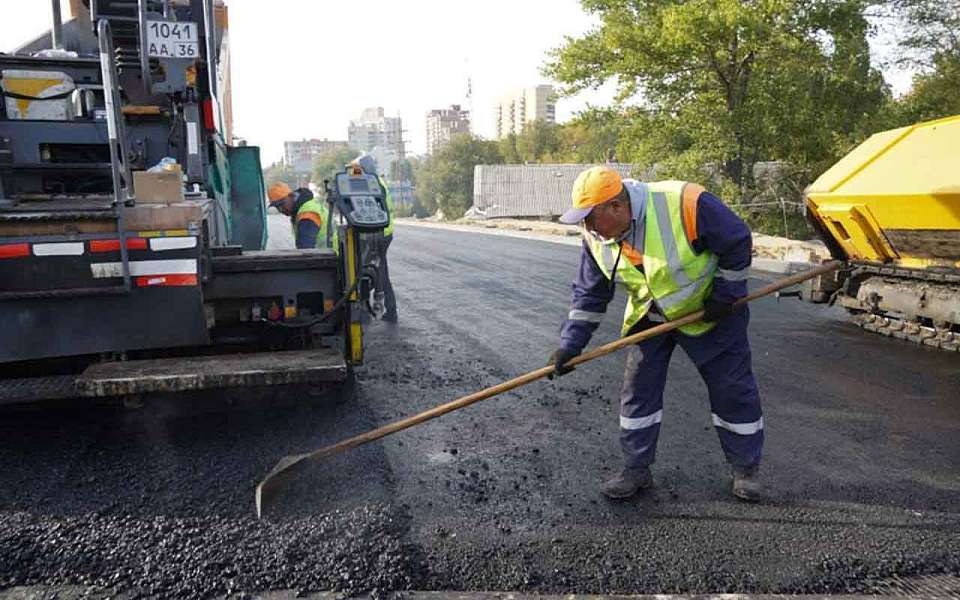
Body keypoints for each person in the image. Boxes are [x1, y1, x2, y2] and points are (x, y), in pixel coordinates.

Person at [548, 166, 763, 502]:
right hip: (652, 314)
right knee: (638, 391)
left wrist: (725, 295)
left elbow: (736, 240)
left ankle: (745, 469)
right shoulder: (595, 237)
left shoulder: (685, 202)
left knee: (732, 389)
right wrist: (570, 345)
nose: (587, 227)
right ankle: (636, 468)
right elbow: (590, 293)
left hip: (710, 311)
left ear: (617, 207)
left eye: (590, 218)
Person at [351, 153, 397, 323]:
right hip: (383, 233)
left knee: (365, 271)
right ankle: (389, 311)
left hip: (374, 234)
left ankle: (365, 311)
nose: (354, 173)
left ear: (364, 169)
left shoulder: (370, 183)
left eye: (357, 169)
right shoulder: (377, 180)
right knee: (379, 271)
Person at [267, 182, 335, 250]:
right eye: (277, 207)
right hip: (329, 253)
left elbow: (306, 250)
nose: (280, 210)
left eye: (281, 204)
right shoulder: (306, 207)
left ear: (291, 196)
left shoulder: (307, 214)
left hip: (329, 254)